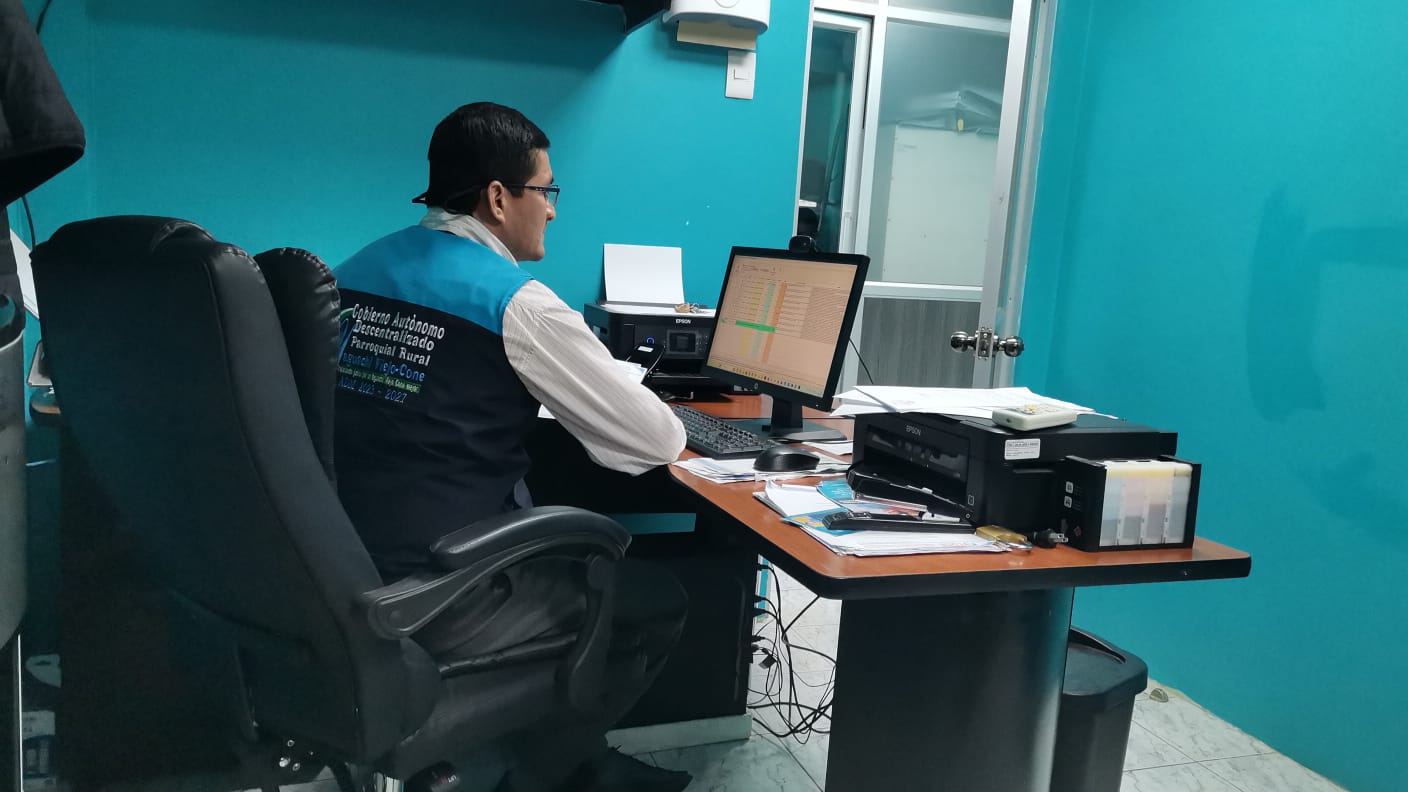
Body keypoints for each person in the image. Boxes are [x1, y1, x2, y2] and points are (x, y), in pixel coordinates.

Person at [332, 102, 691, 792]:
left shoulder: (351, 272)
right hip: (442, 589)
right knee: (653, 598)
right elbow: (654, 440)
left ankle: (557, 762)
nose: (551, 209)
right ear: (499, 197)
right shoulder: (515, 303)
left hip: (338, 565)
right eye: (545, 190)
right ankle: (551, 775)